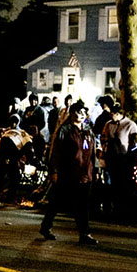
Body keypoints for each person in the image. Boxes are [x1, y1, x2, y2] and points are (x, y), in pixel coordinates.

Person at [39, 101, 98, 245]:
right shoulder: (64, 130)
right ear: (72, 114)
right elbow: (56, 152)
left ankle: (84, 233)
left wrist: (95, 170)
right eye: (78, 112)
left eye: (84, 112)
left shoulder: (88, 131)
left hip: (86, 173)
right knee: (56, 202)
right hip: (68, 173)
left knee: (83, 205)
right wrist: (53, 170)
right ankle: (46, 226)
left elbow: (93, 153)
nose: (82, 115)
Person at [100, 103, 137, 217]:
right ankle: (110, 207)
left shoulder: (130, 125)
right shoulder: (108, 124)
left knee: (122, 183)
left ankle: (122, 208)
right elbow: (103, 137)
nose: (111, 117)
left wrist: (130, 153)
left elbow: (135, 141)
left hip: (123, 158)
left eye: (113, 114)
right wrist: (104, 147)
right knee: (110, 182)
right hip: (110, 156)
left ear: (119, 114)